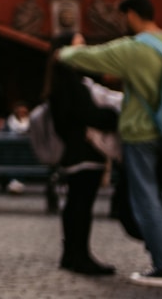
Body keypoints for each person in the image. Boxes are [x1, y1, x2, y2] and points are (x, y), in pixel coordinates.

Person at [58, 0, 162, 287]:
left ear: (131, 15)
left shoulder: (135, 48)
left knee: (147, 198)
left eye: (122, 17)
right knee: (160, 194)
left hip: (141, 133)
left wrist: (67, 51)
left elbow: (88, 58)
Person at [44, 32, 121, 275]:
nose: (85, 49)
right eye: (80, 45)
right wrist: (115, 117)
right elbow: (90, 115)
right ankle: (81, 256)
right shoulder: (72, 82)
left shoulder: (60, 81)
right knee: (81, 204)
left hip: (73, 150)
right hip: (84, 151)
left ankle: (71, 253)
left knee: (75, 203)